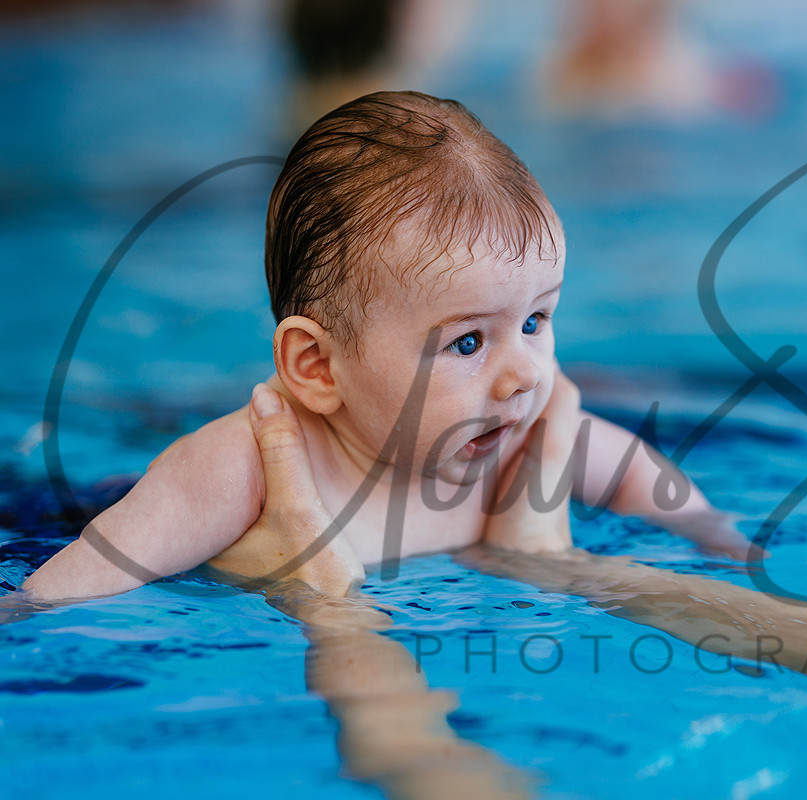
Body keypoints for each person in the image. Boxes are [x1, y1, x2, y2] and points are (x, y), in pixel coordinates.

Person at [18, 90, 752, 604]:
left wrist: (718, 540)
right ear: (316, 367)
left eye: (536, 321)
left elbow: (639, 476)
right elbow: (61, 591)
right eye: (469, 341)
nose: (522, 376)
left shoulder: (524, 439)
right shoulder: (239, 470)